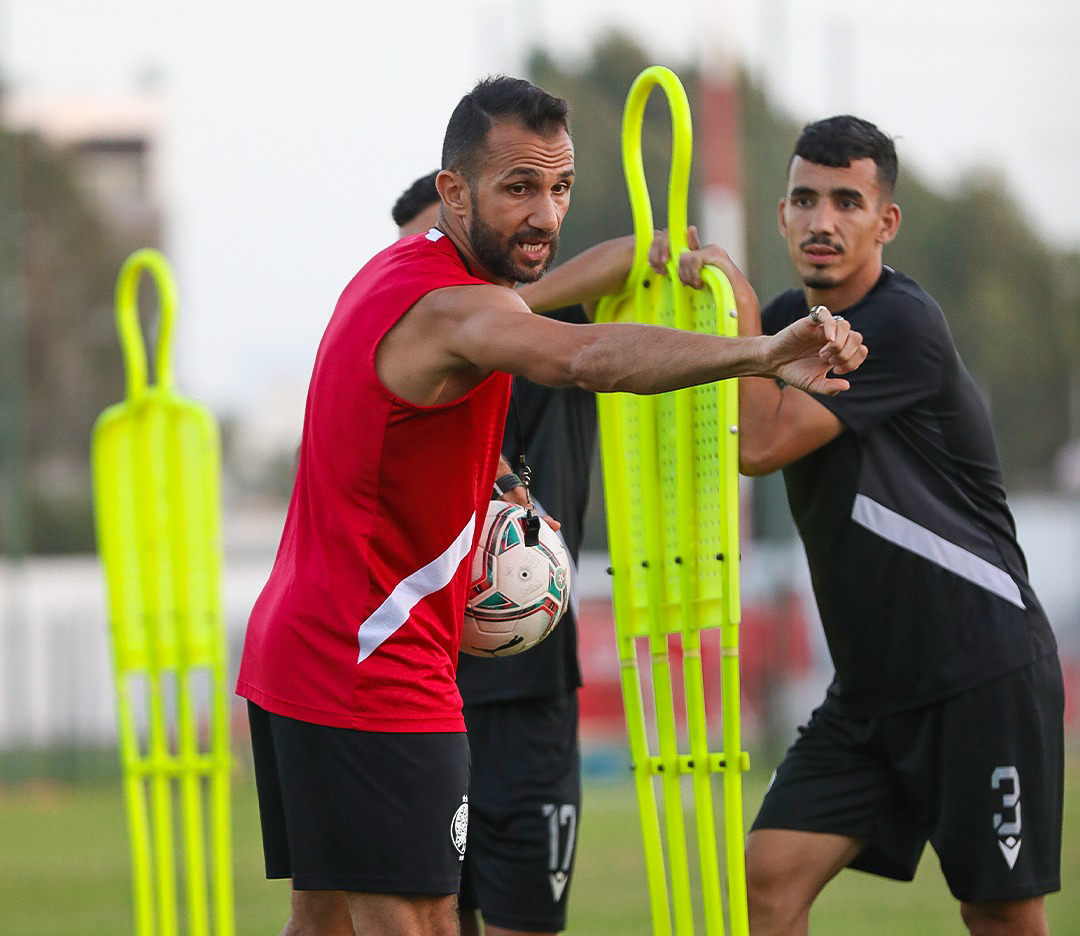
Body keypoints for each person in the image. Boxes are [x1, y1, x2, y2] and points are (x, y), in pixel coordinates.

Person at [235, 76, 866, 936]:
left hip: (301, 652)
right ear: (454, 193)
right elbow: (587, 355)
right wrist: (758, 352)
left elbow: (393, 424)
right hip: (371, 667)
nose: (545, 214)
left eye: (560, 187)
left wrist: (480, 474)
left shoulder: (391, 277)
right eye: (519, 188)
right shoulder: (455, 304)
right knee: (420, 920)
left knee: (324, 925)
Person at [664, 115, 1064, 936]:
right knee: (767, 880)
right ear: (781, 214)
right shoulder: (786, 320)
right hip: (873, 687)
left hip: (977, 671)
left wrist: (739, 309)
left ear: (886, 222)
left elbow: (765, 443)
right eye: (805, 199)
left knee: (999, 916)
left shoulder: (898, 323)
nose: (822, 220)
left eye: (847, 201)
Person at [392, 172, 631, 936]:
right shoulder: (407, 370)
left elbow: (640, 254)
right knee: (431, 916)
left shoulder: (547, 335)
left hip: (531, 697)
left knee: (525, 920)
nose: (433, 279)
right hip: (424, 691)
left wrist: (508, 305)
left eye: (445, 249)